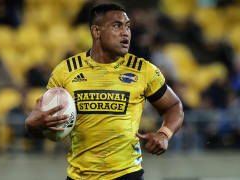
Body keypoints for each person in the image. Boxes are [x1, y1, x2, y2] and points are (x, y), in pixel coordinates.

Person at [25, 3, 184, 180]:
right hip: (80, 176)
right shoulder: (66, 71)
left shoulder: (143, 70)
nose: (126, 32)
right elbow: (45, 126)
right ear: (96, 31)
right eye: (117, 25)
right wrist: (32, 126)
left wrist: (164, 134)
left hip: (128, 175)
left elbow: (174, 106)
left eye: (128, 26)